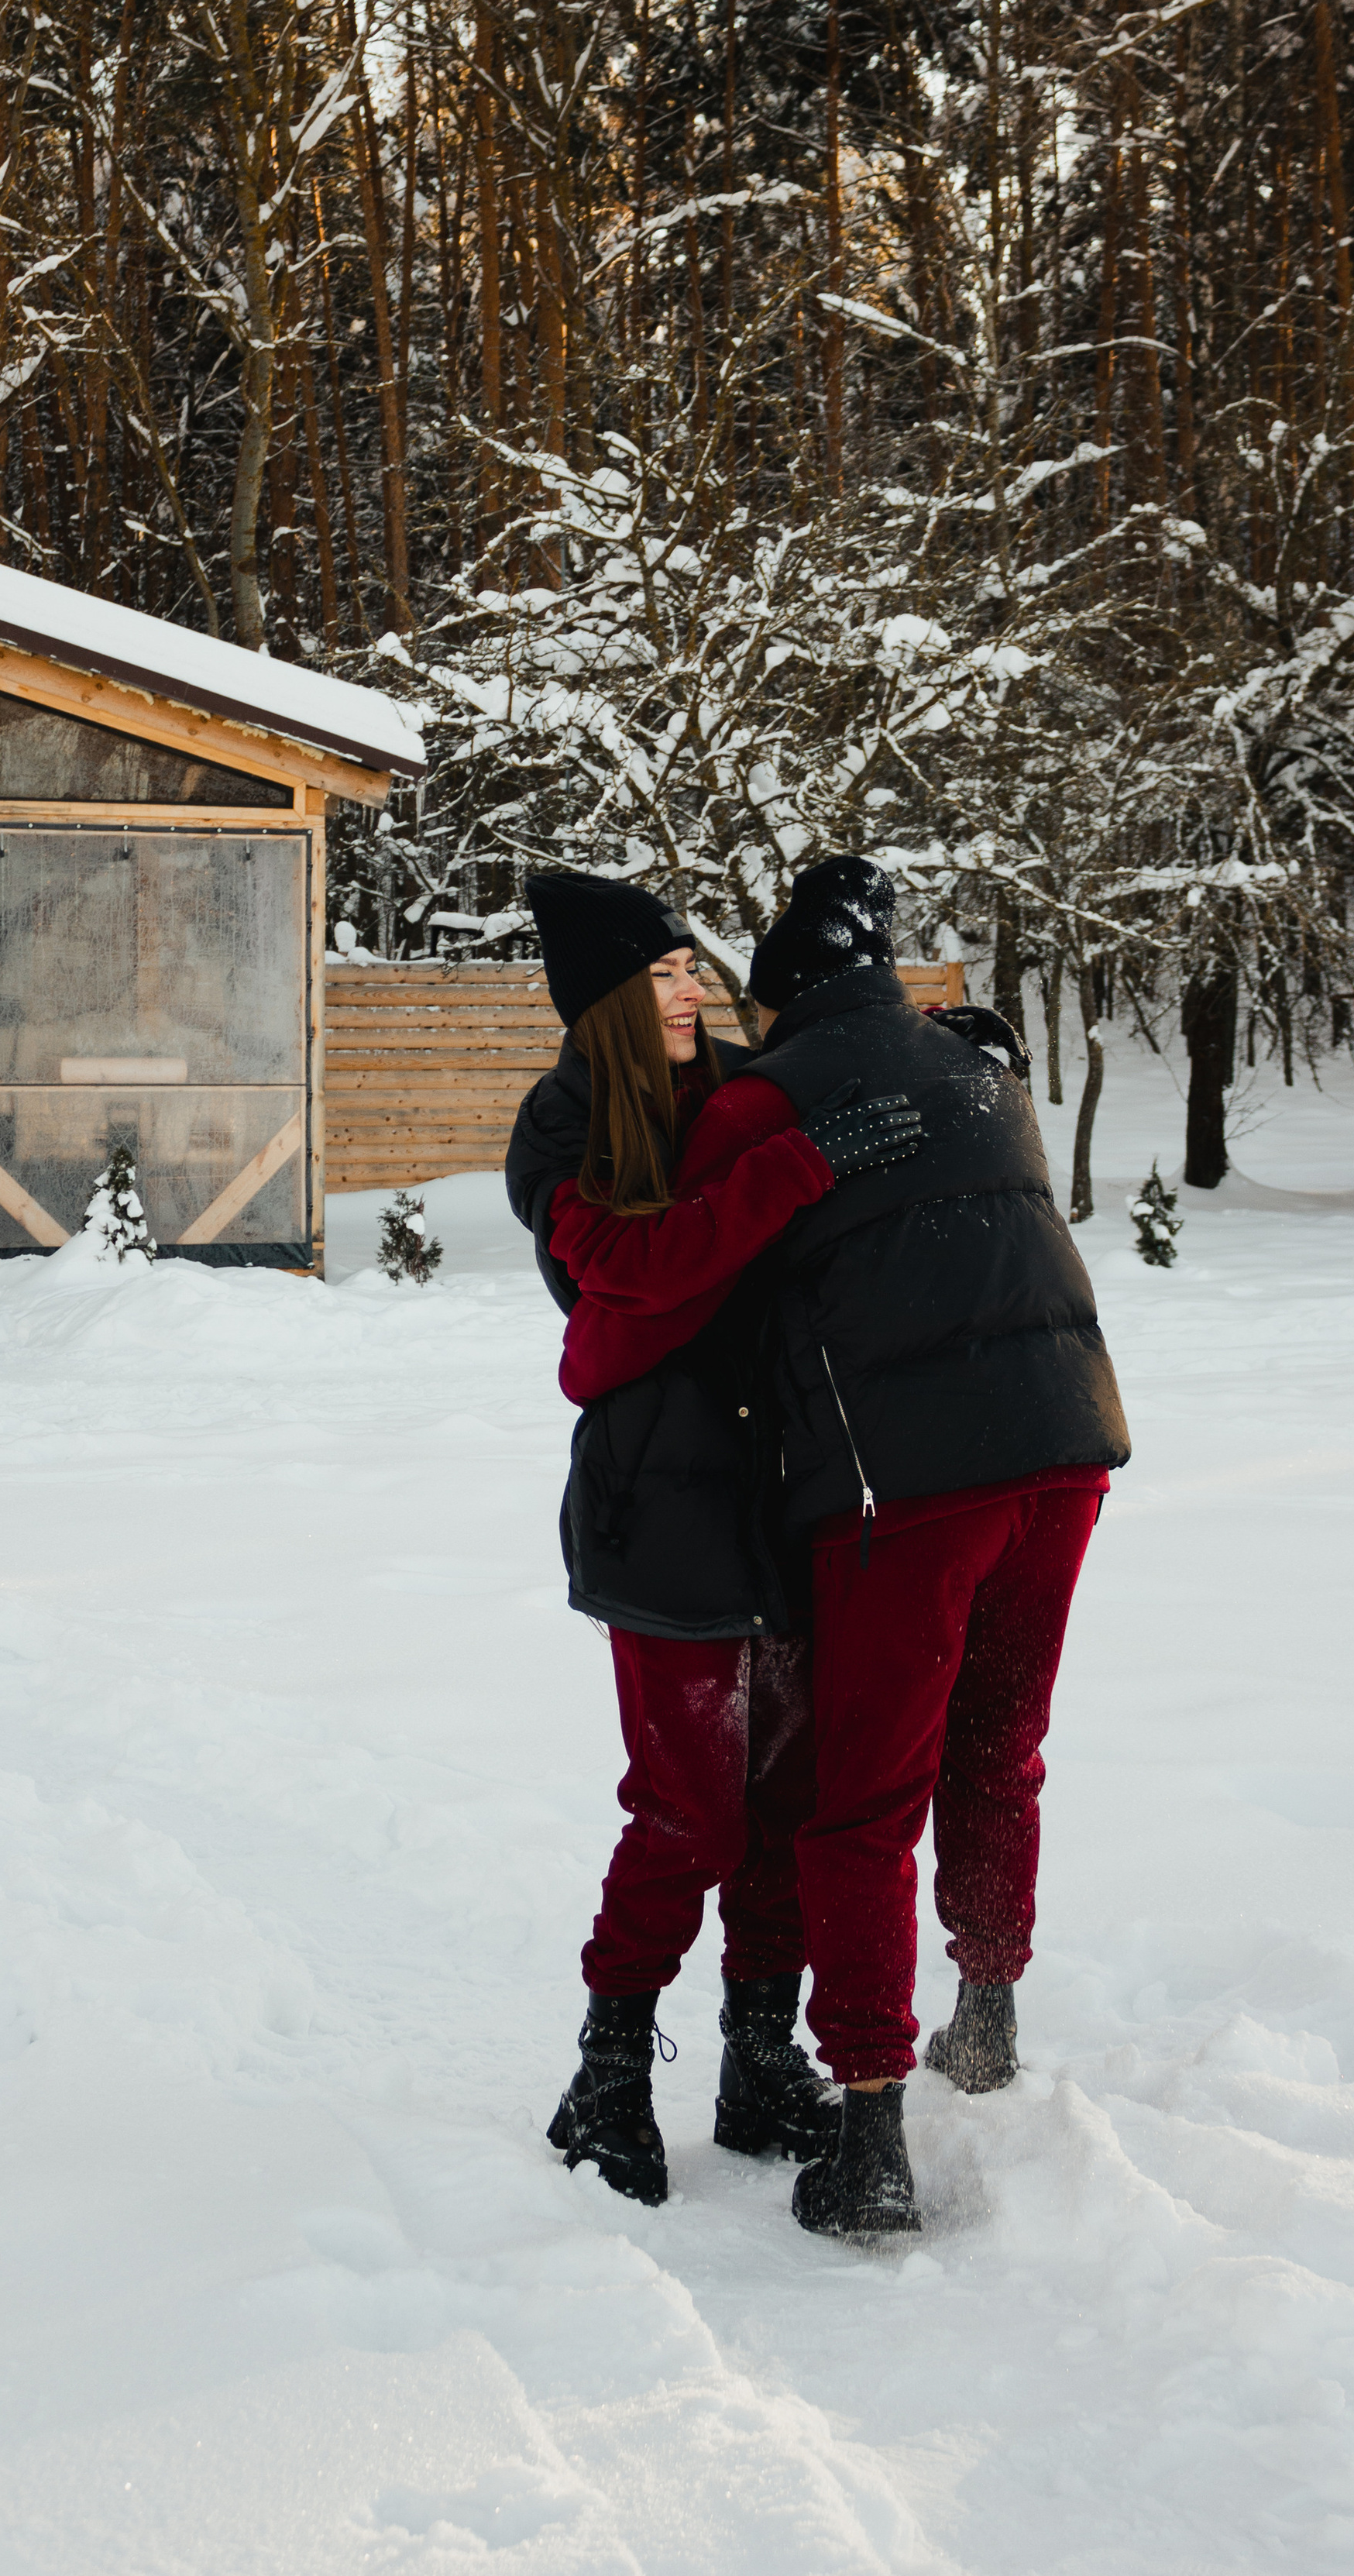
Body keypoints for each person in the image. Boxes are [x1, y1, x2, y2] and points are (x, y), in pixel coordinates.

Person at [633, 856, 1131, 2241]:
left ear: (782, 996)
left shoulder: (763, 1099)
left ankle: (869, 2132)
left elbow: (700, 1289)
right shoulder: (976, 1072)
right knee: (999, 1743)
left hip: (910, 1489)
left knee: (864, 1797)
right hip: (1068, 1449)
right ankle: (985, 2009)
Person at [505, 868, 923, 2206]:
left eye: (697, 967)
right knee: (689, 1812)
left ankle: (756, 2064)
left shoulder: (748, 1085)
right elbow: (634, 1279)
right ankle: (611, 2072)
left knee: (789, 1807)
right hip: (661, 1505)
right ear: (609, 1001)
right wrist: (793, 1173)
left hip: (785, 1490)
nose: (696, 988)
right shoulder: (563, 1126)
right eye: (666, 972)